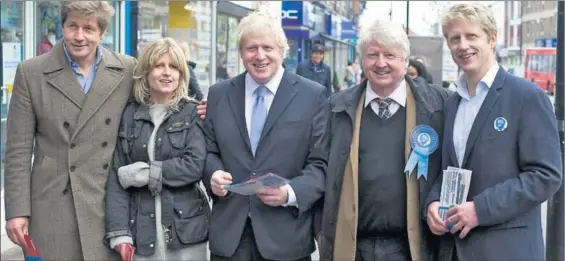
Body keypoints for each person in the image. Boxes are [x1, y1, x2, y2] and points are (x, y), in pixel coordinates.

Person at [425, 3, 562, 261]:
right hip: (454, 250)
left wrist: (481, 209)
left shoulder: (527, 97)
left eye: (471, 36)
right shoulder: (451, 104)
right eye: (455, 38)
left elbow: (546, 175)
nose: (462, 45)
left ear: (492, 38)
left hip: (507, 250)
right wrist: (432, 204)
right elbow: (447, 170)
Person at [3, 1, 135, 260]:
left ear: (102, 32)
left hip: (107, 203)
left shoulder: (127, 69)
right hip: (52, 203)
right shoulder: (31, 72)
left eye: (88, 28)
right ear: (62, 26)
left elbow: (160, 102)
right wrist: (16, 210)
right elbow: (18, 150)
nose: (79, 36)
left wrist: (202, 107)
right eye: (72, 26)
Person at [203, 7, 330, 261]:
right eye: (251, 48)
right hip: (230, 240)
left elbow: (321, 163)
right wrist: (213, 174)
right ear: (241, 53)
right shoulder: (219, 94)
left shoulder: (312, 95)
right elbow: (207, 150)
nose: (260, 56)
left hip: (286, 238)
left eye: (268, 48)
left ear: (282, 51)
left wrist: (290, 192)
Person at [318, 18, 450, 261]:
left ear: (405, 59)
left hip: (413, 248)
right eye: (372, 55)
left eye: (389, 55)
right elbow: (320, 169)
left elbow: (453, 166)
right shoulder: (336, 109)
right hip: (352, 247)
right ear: (361, 60)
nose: (380, 63)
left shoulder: (439, 106)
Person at [104, 37, 209, 261]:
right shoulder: (130, 114)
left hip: (187, 233)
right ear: (146, 71)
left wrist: (144, 174)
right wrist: (119, 234)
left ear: (181, 74)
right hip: (142, 232)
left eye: (173, 67)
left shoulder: (192, 113)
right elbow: (117, 175)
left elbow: (194, 166)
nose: (166, 73)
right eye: (159, 66)